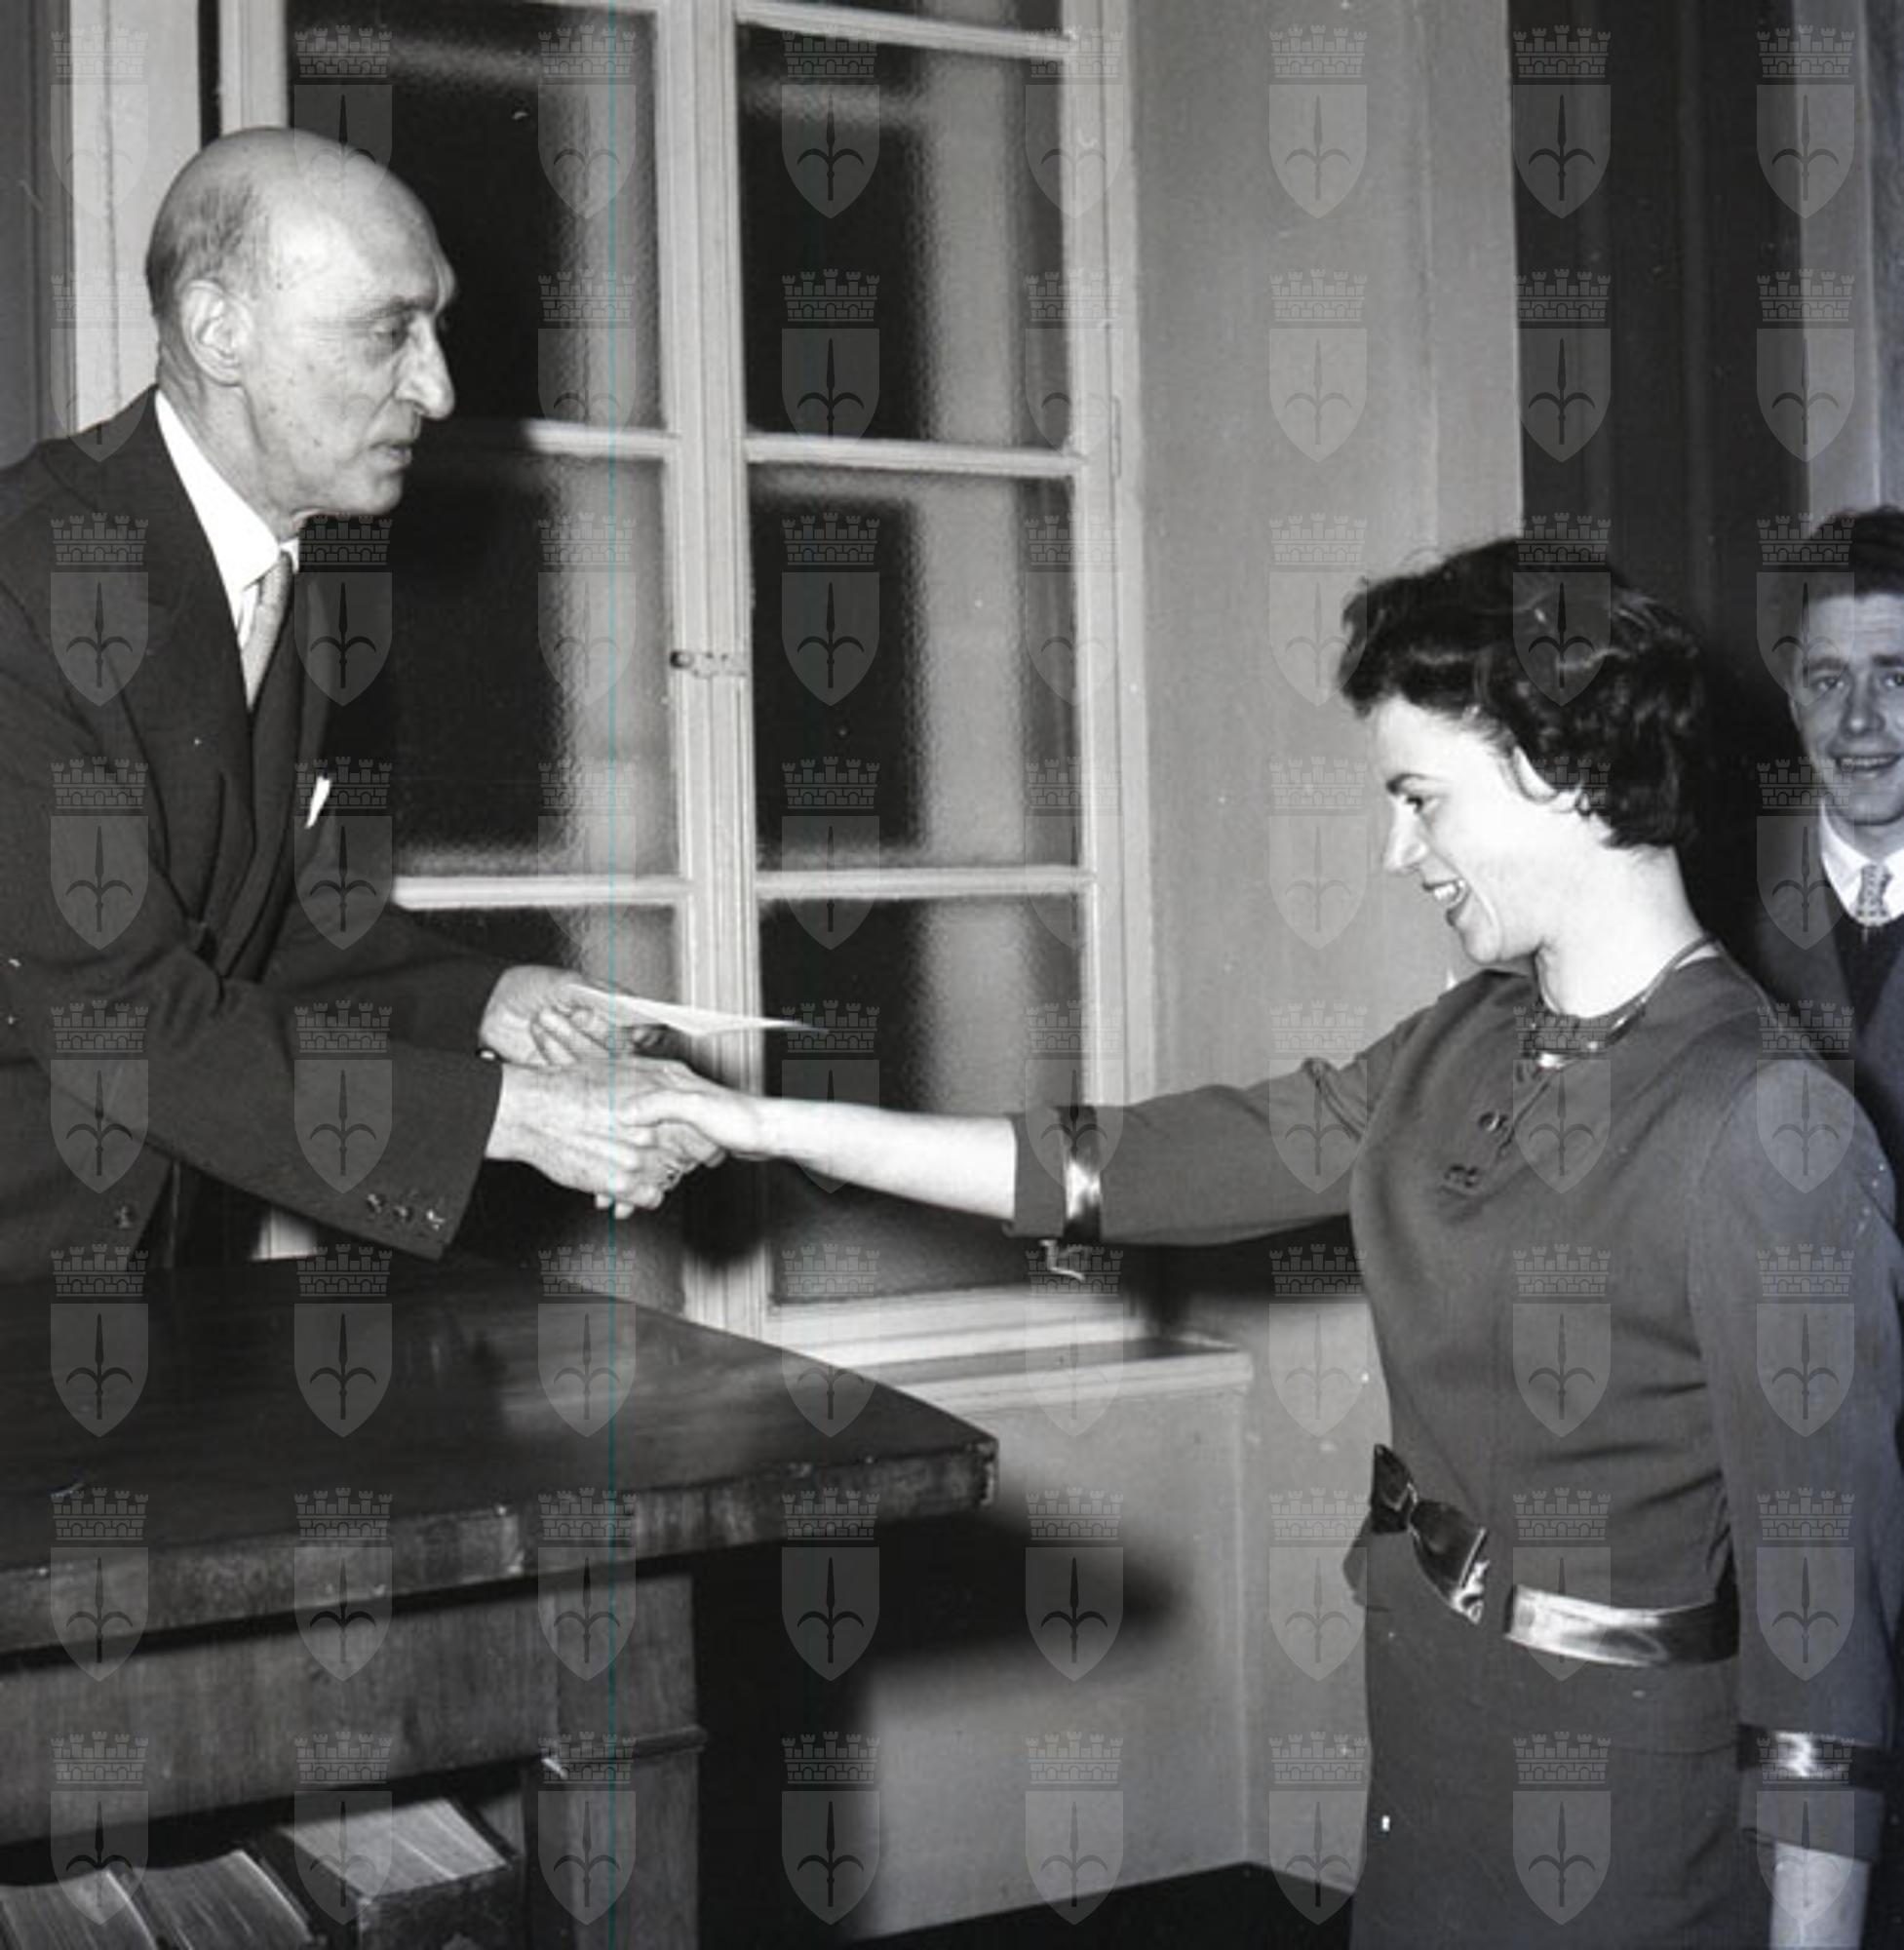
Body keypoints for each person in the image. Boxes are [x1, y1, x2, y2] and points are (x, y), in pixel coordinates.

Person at [608, 542, 1903, 1946]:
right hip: (1433, 1751)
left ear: (1564, 769)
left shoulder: (1769, 1124)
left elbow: (1824, 1651)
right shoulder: (1468, 1036)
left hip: (1625, 1823)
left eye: (1420, 799)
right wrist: (758, 1125)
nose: (1396, 853)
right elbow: (1121, 1166)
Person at [0, 129, 705, 1283]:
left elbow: (251, 924)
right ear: (220, 332)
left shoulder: (275, 570)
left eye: (434, 330)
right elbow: (118, 1013)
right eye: (389, 333)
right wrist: (520, 1117)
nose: (438, 387)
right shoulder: (22, 586)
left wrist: (489, 1004)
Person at [1743, 506, 1904, 1175]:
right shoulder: (1717, 897)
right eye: (1829, 681)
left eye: (1896, 679)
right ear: (1793, 702)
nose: (1859, 720)